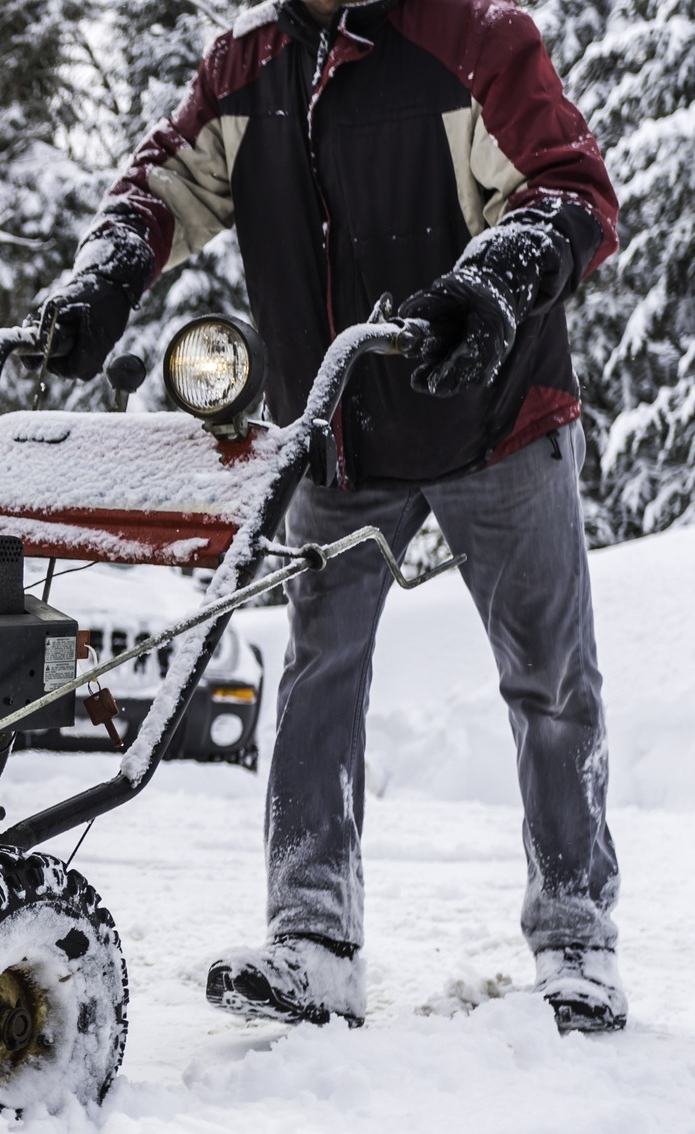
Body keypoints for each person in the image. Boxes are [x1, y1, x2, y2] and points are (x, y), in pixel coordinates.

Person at [40, 0, 624, 1033]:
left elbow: (572, 190)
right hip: (342, 432)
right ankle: (313, 939)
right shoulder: (246, 68)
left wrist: (492, 282)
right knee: (319, 675)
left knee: (552, 681)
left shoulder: (473, 38)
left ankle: (577, 941)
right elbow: (160, 187)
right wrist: (109, 277)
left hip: (496, 415)